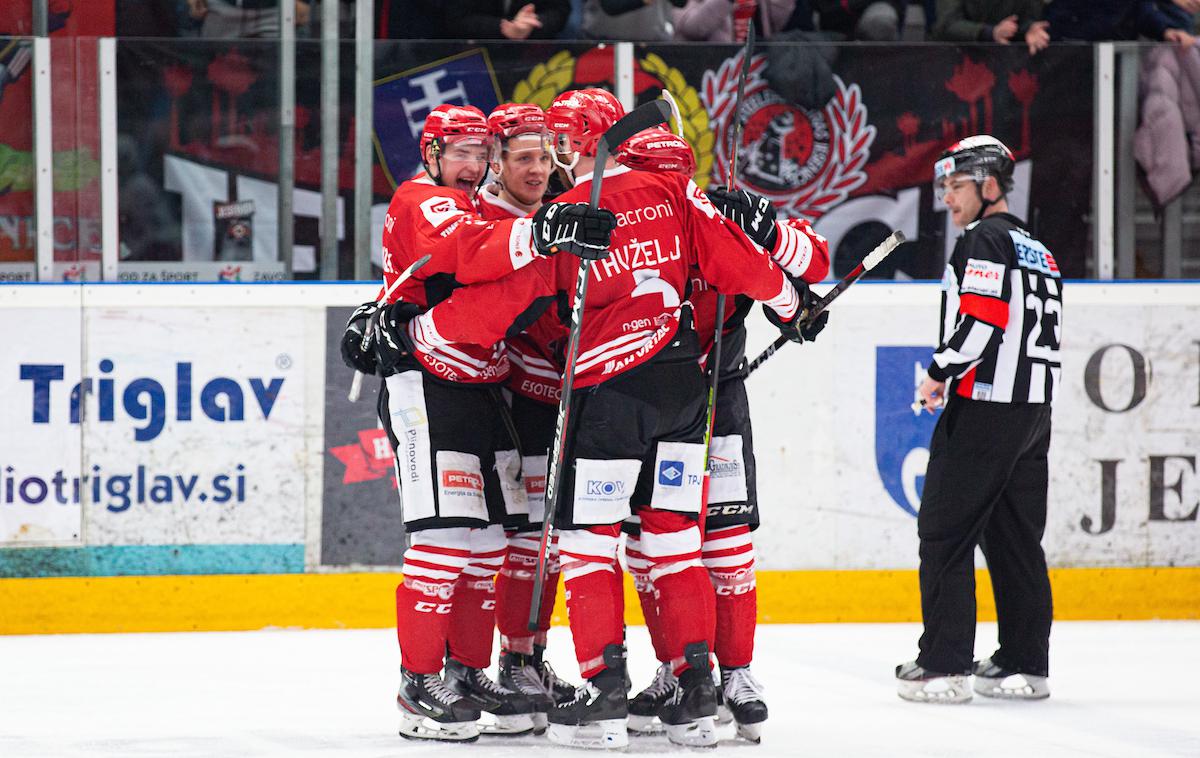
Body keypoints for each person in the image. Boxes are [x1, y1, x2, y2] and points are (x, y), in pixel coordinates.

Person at [376, 88, 812, 748]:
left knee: (582, 546)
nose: (544, 159)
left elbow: (506, 300)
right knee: (672, 545)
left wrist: (416, 334)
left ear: (577, 145)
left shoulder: (575, 211)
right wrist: (792, 302)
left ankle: (603, 694)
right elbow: (744, 266)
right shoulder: (679, 198)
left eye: (554, 144)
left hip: (607, 400)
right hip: (682, 393)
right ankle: (696, 692)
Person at [339, 103, 592, 742]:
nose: (473, 165)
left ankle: (469, 669)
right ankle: (417, 683)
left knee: (489, 545)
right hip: (426, 385)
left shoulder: (481, 205)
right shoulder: (421, 198)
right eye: (462, 153)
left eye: (482, 154)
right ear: (431, 155)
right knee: (444, 540)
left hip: (482, 387)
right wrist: (540, 237)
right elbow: (464, 253)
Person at [614, 127, 830, 743]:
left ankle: (737, 674)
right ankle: (680, 669)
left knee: (727, 547)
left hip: (718, 406)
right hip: (654, 405)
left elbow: (809, 268)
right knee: (652, 551)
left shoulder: (716, 220)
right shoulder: (635, 228)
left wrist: (766, 227)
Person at [896, 136, 1061, 704]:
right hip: (1032, 411)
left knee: (944, 530)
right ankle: (1025, 662)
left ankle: (944, 667)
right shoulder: (1037, 247)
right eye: (944, 185)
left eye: (956, 185)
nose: (947, 196)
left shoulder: (982, 239)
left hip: (987, 407)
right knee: (1014, 538)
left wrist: (939, 370)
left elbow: (983, 321)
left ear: (990, 185)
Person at [474, 103, 578, 726]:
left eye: (546, 157)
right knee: (520, 541)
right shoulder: (485, 219)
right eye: (524, 159)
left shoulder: (555, 216)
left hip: (559, 396)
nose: (538, 169)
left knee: (552, 542)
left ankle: (533, 656)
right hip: (512, 399)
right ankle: (510, 664)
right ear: (496, 161)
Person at [931, 0, 1050, 55]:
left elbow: (1026, 19)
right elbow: (946, 25)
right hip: (955, 59)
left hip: (1005, 62)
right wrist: (991, 32)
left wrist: (1028, 30)